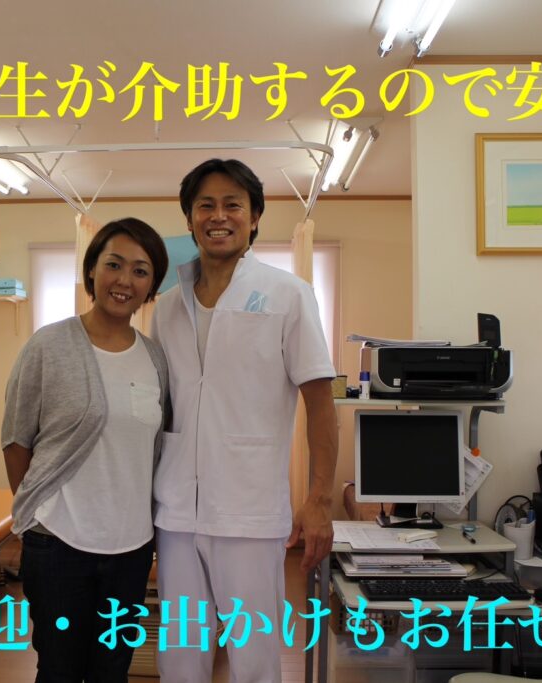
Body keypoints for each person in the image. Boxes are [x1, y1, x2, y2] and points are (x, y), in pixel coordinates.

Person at [150, 159, 337, 682]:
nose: (218, 216)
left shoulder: (288, 293)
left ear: (254, 217)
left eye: (232, 204)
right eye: (205, 205)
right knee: (180, 657)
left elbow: (320, 402)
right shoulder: (166, 306)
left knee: (254, 660)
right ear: (189, 218)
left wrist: (320, 500)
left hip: (249, 509)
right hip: (176, 512)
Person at [1, 217, 169, 683]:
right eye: (114, 264)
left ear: (151, 286)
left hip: (130, 548)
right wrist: (35, 513)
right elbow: (16, 440)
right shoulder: (48, 345)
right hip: (58, 543)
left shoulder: (154, 358)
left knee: (112, 669)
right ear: (91, 270)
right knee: (59, 668)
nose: (124, 280)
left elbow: (154, 448)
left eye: (140, 270)